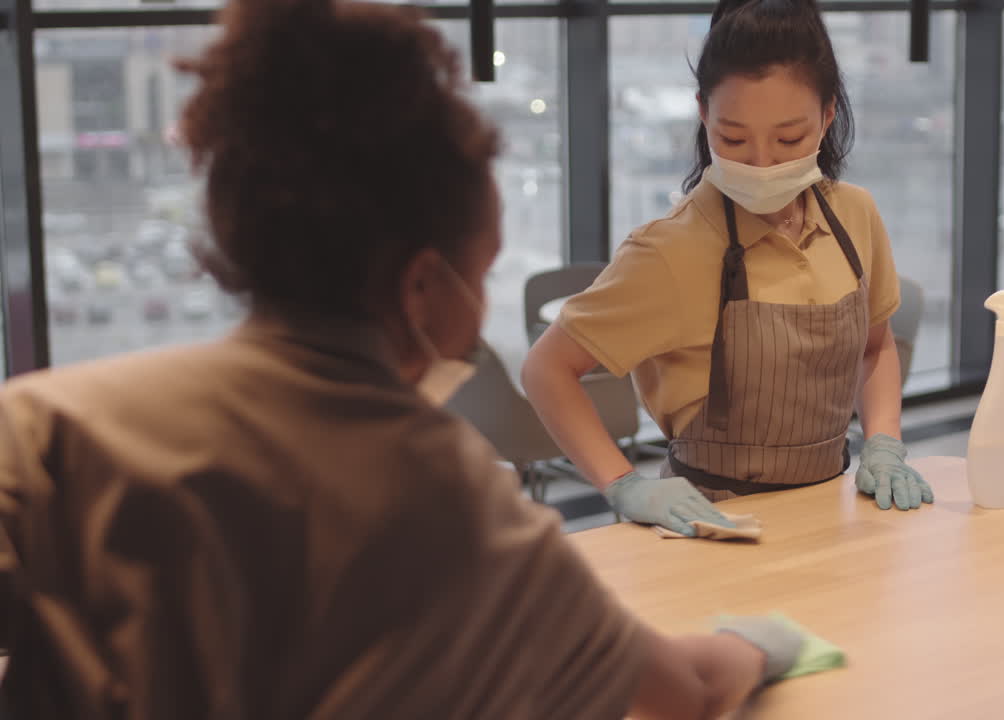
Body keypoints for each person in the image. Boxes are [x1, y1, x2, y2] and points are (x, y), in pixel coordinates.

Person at [0, 1, 803, 717]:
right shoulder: (457, 503)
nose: (482, 310)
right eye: (482, 273)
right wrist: (756, 645)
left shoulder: (41, 426)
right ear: (422, 286)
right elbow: (684, 693)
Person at [523, 0, 933, 536]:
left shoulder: (854, 215)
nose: (760, 163)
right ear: (702, 114)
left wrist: (882, 444)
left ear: (828, 115)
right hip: (715, 528)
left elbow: (874, 347)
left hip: (832, 519)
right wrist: (624, 485)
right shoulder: (671, 249)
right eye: (733, 139)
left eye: (790, 139)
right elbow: (546, 370)